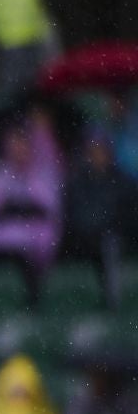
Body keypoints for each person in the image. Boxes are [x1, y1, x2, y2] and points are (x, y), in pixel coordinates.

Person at [0, 120, 63, 307]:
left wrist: (24, 202)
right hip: (2, 232)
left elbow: (50, 208)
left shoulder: (43, 172)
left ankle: (32, 301)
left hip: (34, 232)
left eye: (21, 144)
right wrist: (4, 203)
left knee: (31, 244)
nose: (17, 149)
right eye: (13, 145)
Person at [61, 130, 137, 309]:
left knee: (109, 244)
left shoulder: (124, 182)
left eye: (101, 150)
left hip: (114, 238)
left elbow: (128, 217)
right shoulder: (77, 182)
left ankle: (112, 299)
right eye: (93, 150)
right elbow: (73, 215)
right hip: (82, 237)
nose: (97, 155)